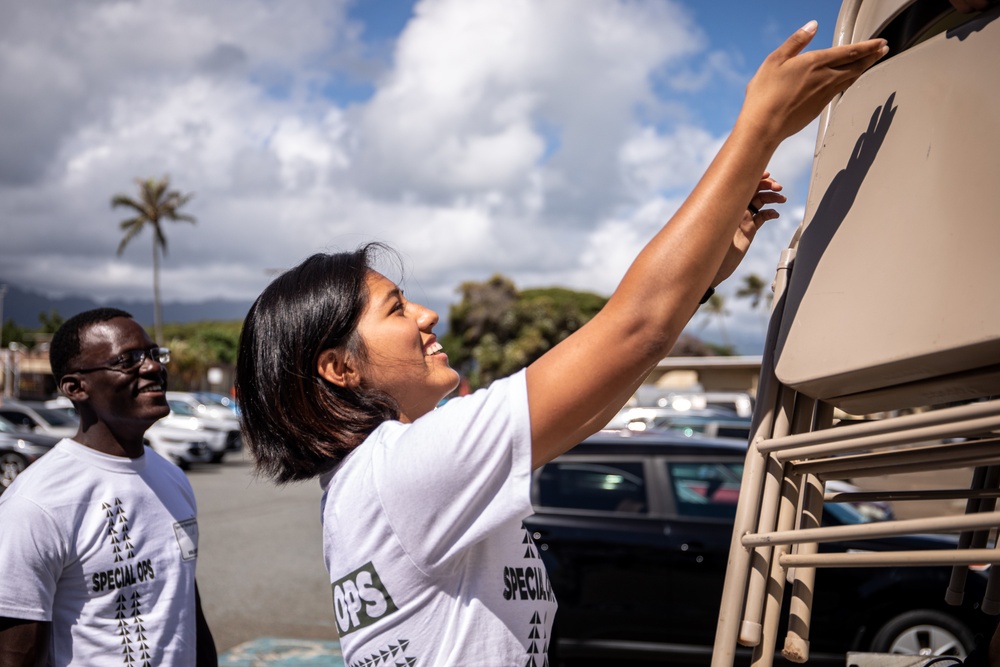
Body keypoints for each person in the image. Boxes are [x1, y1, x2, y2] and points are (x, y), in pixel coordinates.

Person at [235, 22, 888, 666]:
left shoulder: (375, 479)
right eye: (398, 307)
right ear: (338, 366)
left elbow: (597, 395)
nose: (428, 315)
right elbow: (629, 329)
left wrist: (700, 276)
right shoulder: (403, 472)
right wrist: (758, 126)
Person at [0, 308, 217, 666]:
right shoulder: (35, 504)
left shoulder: (172, 478)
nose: (152, 368)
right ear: (75, 387)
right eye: (128, 360)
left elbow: (185, 605)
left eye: (153, 354)